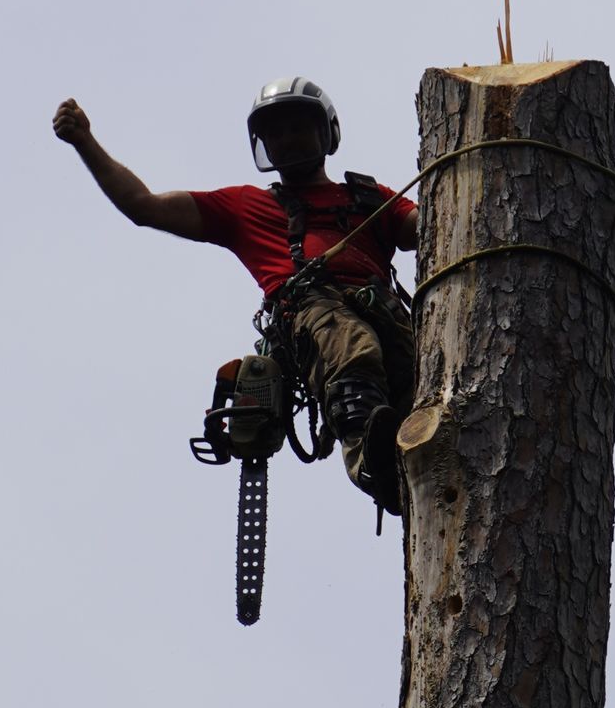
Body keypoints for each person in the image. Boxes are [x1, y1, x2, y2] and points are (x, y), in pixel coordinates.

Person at [52, 77, 417, 509]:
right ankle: (369, 460)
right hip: (315, 316)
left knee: (424, 373)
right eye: (275, 133)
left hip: (387, 314)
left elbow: (430, 225)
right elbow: (143, 205)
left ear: (325, 133)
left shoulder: (369, 198)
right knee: (351, 345)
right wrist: (84, 141)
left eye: (296, 127)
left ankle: (420, 458)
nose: (286, 140)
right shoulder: (245, 208)